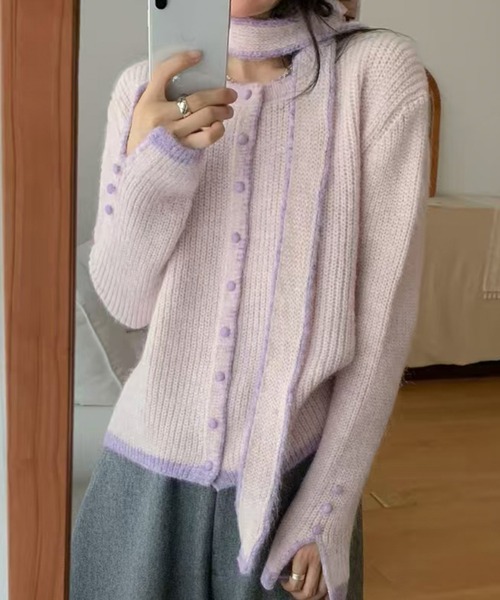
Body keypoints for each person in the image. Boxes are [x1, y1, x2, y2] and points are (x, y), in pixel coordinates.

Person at [70, 1, 430, 599]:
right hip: (141, 484)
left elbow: (382, 328)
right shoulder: (142, 89)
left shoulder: (376, 72)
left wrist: (328, 506)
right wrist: (158, 163)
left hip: (293, 488)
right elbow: (125, 301)